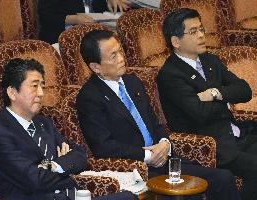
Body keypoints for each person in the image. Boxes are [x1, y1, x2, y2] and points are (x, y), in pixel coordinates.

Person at [76, 29, 241, 200]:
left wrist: (164, 143)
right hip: (135, 169)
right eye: (113, 56)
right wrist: (148, 156)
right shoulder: (90, 97)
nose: (121, 58)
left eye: (120, 51)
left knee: (223, 178)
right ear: (95, 67)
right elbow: (104, 146)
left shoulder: (133, 82)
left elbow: (155, 123)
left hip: (165, 161)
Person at [0, 58, 136, 200]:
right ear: (12, 92)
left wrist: (53, 165)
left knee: (129, 197)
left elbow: (80, 155)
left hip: (70, 196)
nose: (41, 93)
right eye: (34, 86)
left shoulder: (43, 123)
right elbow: (35, 180)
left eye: (42, 86)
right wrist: (65, 166)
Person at [156, 8, 257, 200]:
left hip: (237, 134)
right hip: (212, 147)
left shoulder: (210, 60)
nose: (202, 35)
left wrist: (215, 93)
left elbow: (244, 90)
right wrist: (226, 100)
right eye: (193, 32)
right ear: (175, 41)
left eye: (201, 29)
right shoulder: (170, 75)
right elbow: (200, 113)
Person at [38, 0, 132, 44]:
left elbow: (95, 6)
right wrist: (74, 19)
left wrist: (109, 2)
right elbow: (46, 17)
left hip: (94, 30)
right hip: (62, 37)